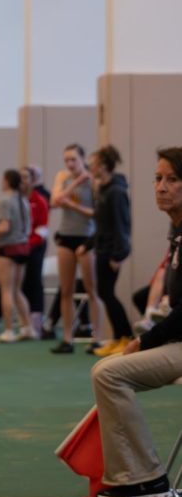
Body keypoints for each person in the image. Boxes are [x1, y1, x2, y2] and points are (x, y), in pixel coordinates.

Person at [91, 147, 182, 497]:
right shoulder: (176, 230)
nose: (161, 187)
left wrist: (143, 341)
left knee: (110, 374)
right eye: (158, 179)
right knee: (106, 369)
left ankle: (145, 477)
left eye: (172, 179)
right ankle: (139, 473)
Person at [49, 144, 104, 355]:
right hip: (66, 237)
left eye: (73, 159)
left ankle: (96, 338)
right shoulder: (63, 177)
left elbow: (95, 213)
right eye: (67, 160)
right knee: (66, 290)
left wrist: (73, 204)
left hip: (86, 238)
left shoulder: (93, 180)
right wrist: (74, 184)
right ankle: (67, 338)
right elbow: (55, 200)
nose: (70, 164)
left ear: (82, 159)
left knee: (92, 289)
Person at [88, 146, 132, 357]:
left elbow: (121, 225)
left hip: (111, 253)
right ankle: (118, 338)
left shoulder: (116, 191)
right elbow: (101, 223)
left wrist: (118, 254)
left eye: (94, 163)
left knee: (108, 294)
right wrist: (88, 244)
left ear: (104, 165)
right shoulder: (102, 190)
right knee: (105, 294)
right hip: (102, 249)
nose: (91, 167)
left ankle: (126, 338)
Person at [0, 169, 34, 343]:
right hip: (23, 246)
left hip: (7, 248)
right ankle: (28, 327)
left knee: (6, 290)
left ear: (7, 181)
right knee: (16, 290)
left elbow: (4, 226)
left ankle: (8, 330)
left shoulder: (5, 201)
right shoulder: (24, 200)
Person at [21, 165, 49, 337]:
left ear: (32, 180)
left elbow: (42, 228)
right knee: (21, 285)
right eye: (20, 177)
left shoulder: (39, 200)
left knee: (34, 282)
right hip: (18, 248)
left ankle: (37, 324)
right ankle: (25, 324)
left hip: (35, 247)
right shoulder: (16, 199)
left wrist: (28, 245)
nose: (23, 181)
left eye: (26, 177)